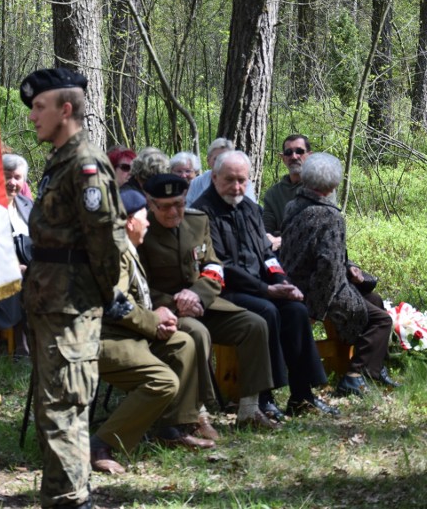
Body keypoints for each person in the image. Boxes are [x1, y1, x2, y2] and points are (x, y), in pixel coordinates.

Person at [20, 67, 128, 509]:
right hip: (52, 301)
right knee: (56, 406)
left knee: (64, 406)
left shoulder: (85, 164)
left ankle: (69, 501)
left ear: (66, 109)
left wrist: (107, 294)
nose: (32, 117)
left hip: (71, 304)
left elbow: (105, 239)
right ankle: (63, 494)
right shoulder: (61, 159)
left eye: (39, 107)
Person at [192, 151, 338, 417]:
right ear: (214, 178)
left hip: (261, 288)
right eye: (230, 180)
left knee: (296, 310)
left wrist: (283, 281)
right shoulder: (203, 212)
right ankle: (263, 398)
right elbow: (220, 265)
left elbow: (267, 254)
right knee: (267, 311)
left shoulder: (250, 209)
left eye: (242, 181)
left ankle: (302, 395)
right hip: (223, 293)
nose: (236, 187)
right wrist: (266, 290)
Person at [138, 173, 278, 430]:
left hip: (205, 303)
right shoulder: (140, 229)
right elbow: (139, 283)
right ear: (151, 203)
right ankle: (198, 414)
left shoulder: (197, 220)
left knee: (255, 324)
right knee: (197, 334)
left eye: (179, 204)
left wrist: (197, 294)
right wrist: (175, 301)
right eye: (165, 207)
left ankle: (249, 408)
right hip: (165, 311)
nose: (173, 212)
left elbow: (214, 267)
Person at [90, 188, 214, 476]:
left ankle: (171, 428)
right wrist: (153, 321)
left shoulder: (123, 247)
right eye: (145, 216)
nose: (148, 223)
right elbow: (115, 304)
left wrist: (157, 320)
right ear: (130, 221)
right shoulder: (115, 251)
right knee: (163, 381)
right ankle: (100, 445)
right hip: (104, 338)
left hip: (124, 333)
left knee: (183, 342)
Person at [279, 153, 400, 397]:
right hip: (316, 290)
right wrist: (316, 310)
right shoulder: (331, 216)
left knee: (374, 300)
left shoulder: (293, 205)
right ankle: (355, 377)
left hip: (294, 281)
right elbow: (328, 269)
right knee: (381, 320)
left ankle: (373, 368)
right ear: (334, 185)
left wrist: (351, 271)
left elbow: (321, 256)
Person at [0, 153, 33, 357]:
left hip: (29, 265)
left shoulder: (27, 205)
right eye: (7, 176)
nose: (12, 182)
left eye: (17, 177)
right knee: (22, 280)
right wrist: (13, 266)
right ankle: (21, 349)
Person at [185, 138, 255, 206]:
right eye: (216, 158)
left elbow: (251, 208)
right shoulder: (197, 183)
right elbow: (188, 209)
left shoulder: (244, 184)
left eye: (225, 159)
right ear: (208, 160)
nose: (220, 162)